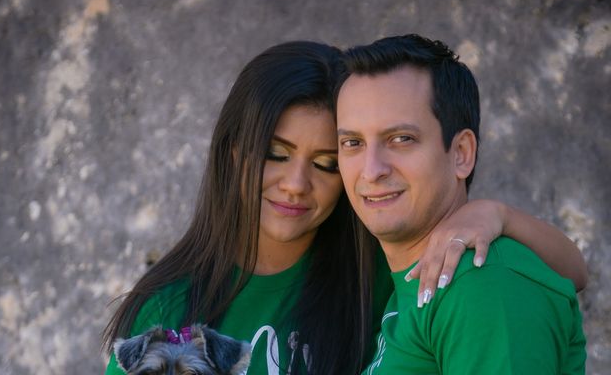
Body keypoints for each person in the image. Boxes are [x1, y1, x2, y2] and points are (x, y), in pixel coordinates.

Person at [103, 41, 587, 375]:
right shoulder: (168, 308)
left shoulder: (388, 266)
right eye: (275, 154)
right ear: (234, 153)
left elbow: (568, 275)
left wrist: (494, 213)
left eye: (327, 161)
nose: (295, 185)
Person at [336, 34, 587, 374]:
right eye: (352, 142)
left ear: (461, 154)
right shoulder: (408, 279)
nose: (371, 170)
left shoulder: (483, 284)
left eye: (401, 139)